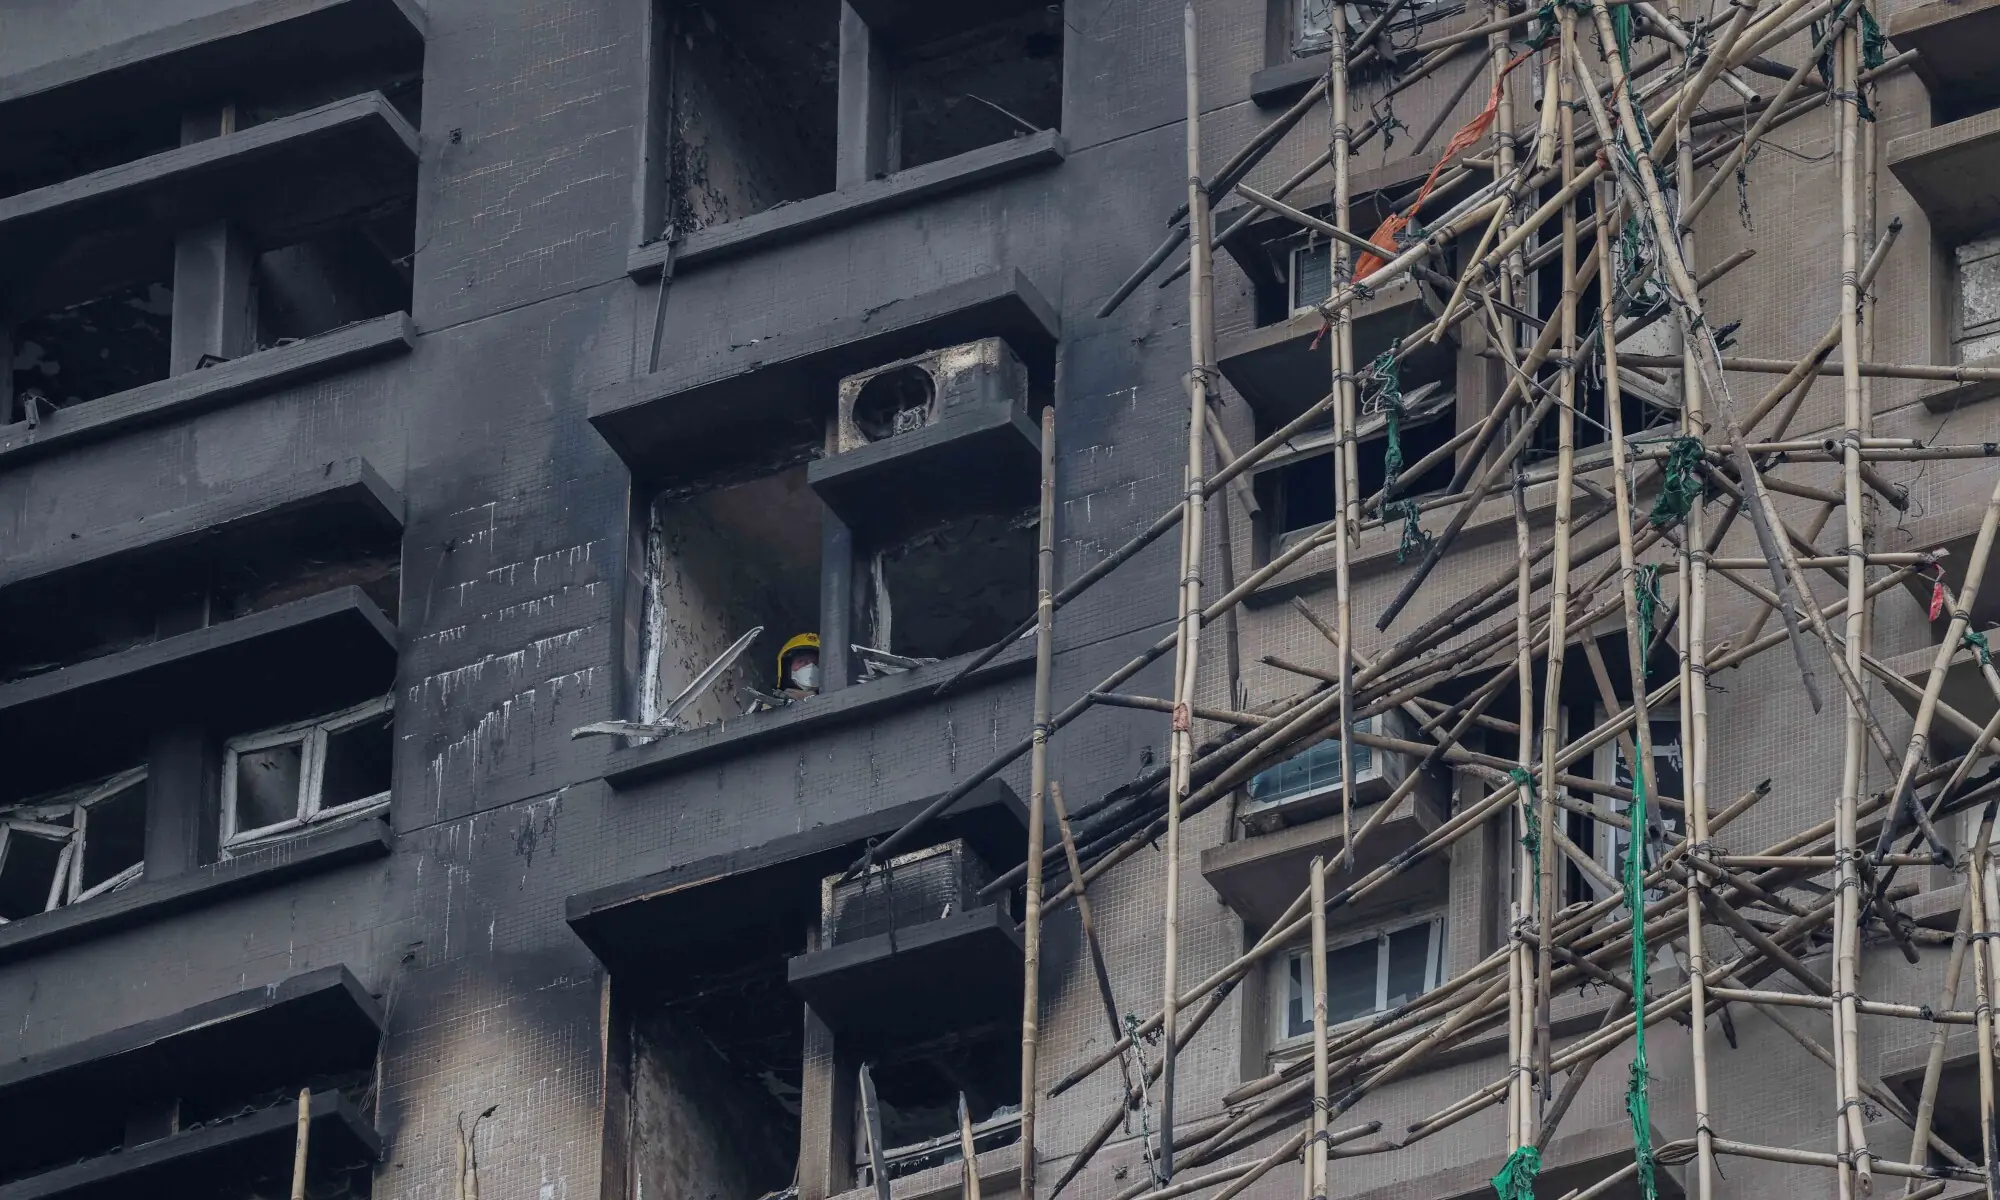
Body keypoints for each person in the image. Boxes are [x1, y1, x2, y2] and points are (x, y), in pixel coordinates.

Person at [776, 633, 821, 698]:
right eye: (801, 661)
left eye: (815, 663)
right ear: (787, 667)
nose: (810, 667)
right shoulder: (770, 703)